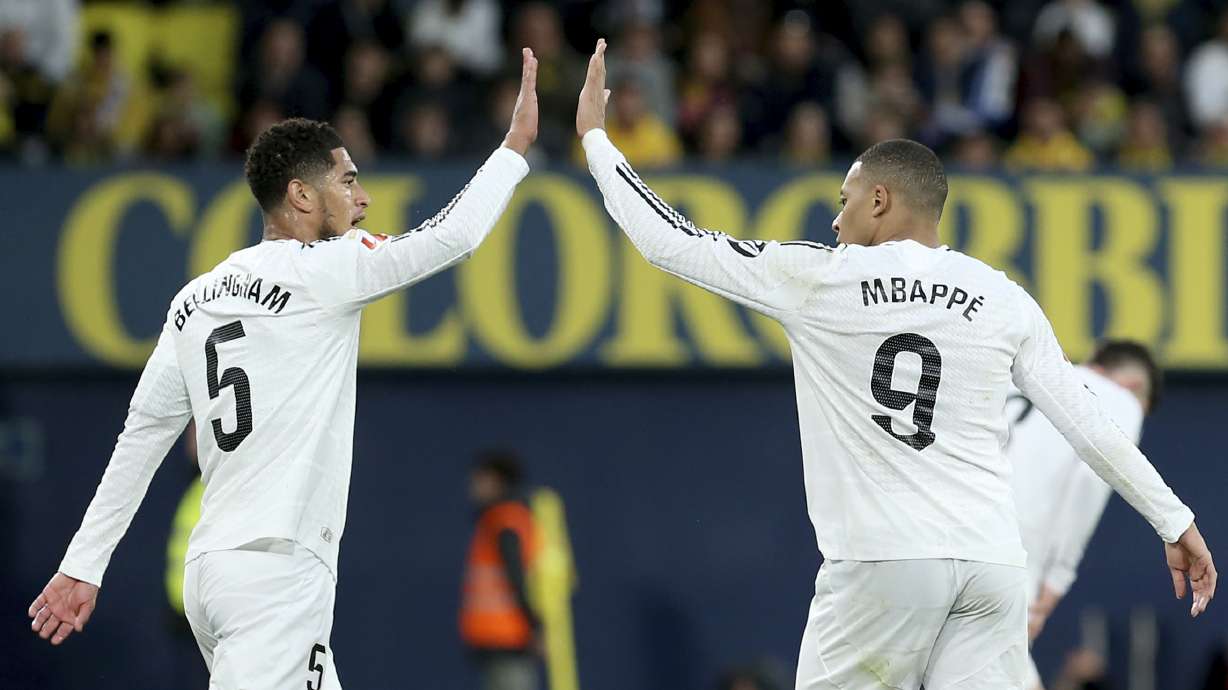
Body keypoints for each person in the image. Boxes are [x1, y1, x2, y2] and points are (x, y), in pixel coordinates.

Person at [576, 39, 1215, 689]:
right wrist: (1174, 520)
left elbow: (669, 242)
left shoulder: (821, 278)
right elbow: (1087, 419)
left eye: (846, 198)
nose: (835, 217)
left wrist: (597, 142)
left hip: (881, 567)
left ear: (880, 200)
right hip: (990, 568)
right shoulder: (1003, 297)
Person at [27, 47, 539, 689]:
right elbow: (450, 237)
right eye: (348, 180)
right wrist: (515, 148)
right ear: (301, 193)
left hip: (211, 573)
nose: (364, 197)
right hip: (276, 571)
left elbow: (143, 437)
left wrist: (85, 563)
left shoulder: (194, 299)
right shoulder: (325, 270)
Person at [1008, 341, 1161, 690]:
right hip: (1007, 558)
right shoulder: (1119, 400)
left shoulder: (1019, 377)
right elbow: (1088, 485)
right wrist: (1053, 587)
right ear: (1134, 387)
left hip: (929, 535)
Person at [461, 450, 541, 690]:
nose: (472, 486)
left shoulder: (505, 521)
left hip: (509, 638)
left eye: (480, 478)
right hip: (497, 640)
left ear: (496, 481)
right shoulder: (497, 519)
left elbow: (517, 578)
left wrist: (535, 627)